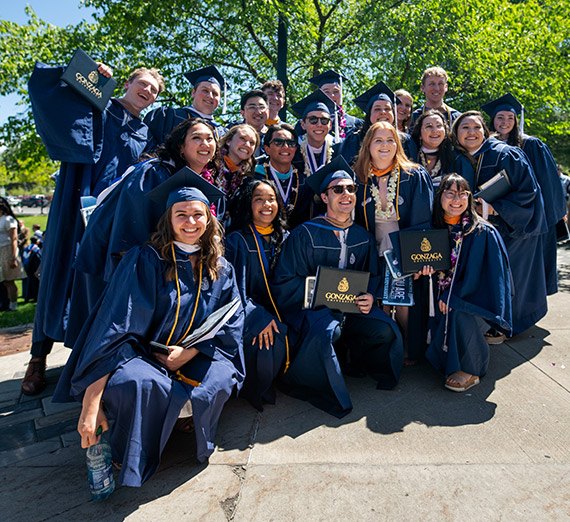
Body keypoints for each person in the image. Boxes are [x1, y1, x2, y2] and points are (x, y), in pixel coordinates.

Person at [53, 170, 244, 489]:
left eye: (198, 214)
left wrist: (190, 352)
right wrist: (91, 404)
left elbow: (230, 323)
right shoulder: (146, 260)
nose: (190, 222)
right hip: (143, 356)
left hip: (195, 354)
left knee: (219, 377)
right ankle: (136, 442)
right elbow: (113, 329)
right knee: (137, 382)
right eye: (180, 214)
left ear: (208, 220)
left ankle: (183, 422)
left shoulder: (221, 268)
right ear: (168, 219)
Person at [22, 62, 163, 395]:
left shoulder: (146, 133)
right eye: (143, 84)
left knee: (97, 283)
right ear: (127, 83)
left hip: (112, 221)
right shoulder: (98, 108)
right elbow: (52, 97)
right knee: (57, 275)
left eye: (154, 91)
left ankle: (87, 359)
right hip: (76, 209)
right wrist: (92, 76)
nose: (147, 92)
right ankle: (37, 358)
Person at [67, 118, 218, 349]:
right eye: (196, 138)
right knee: (113, 337)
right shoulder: (154, 173)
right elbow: (132, 228)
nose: (204, 143)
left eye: (210, 139)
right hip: (121, 262)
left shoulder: (198, 181)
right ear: (180, 146)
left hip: (154, 266)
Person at [271, 157, 403, 418]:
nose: (346, 194)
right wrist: (319, 293)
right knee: (326, 332)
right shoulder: (305, 233)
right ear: (324, 197)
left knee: (385, 329)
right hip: (312, 311)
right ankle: (315, 383)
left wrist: (370, 295)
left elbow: (372, 276)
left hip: (351, 310)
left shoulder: (361, 236)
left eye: (351, 189)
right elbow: (284, 281)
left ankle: (362, 365)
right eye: (338, 189)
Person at [452, 111, 547, 338]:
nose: (471, 132)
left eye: (476, 127)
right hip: (478, 230)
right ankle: (487, 322)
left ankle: (503, 326)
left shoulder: (506, 154)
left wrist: (495, 208)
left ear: (485, 131)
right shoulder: (458, 158)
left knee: (508, 279)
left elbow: (528, 193)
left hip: (511, 229)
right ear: (456, 134)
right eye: (465, 128)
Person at [353, 122, 433, 364]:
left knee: (405, 305)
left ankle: (410, 347)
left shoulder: (413, 175)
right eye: (378, 140)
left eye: (390, 140)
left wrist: (418, 259)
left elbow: (422, 220)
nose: (385, 145)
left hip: (403, 250)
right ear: (368, 145)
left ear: (398, 145)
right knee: (381, 304)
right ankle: (386, 351)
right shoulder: (358, 179)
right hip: (372, 250)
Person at [425, 174, 512, 392]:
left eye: (462, 193)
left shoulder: (482, 232)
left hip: (474, 300)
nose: (457, 199)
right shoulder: (431, 229)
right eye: (450, 193)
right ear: (439, 197)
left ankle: (472, 367)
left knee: (460, 309)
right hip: (437, 297)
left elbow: (486, 280)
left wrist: (453, 295)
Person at [482, 93, 567, 296]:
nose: (505, 122)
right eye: (500, 117)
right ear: (492, 120)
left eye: (510, 118)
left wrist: (548, 217)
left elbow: (548, 183)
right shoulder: (485, 146)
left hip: (528, 218)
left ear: (516, 120)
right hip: (498, 216)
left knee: (525, 271)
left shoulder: (531, 145)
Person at [225, 179, 289, 410]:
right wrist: (257, 317)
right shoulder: (236, 241)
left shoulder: (285, 237)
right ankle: (255, 389)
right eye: (258, 199)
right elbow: (232, 290)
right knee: (265, 339)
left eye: (271, 199)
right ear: (247, 205)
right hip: (248, 313)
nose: (266, 204)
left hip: (283, 308)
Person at [335, 81, 417, 166]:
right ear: (369, 114)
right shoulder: (355, 140)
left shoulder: (405, 141)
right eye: (377, 109)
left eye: (387, 109)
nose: (383, 112)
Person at [144, 65, 227, 145]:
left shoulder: (222, 133)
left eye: (215, 93)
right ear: (193, 93)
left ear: (219, 100)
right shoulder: (168, 116)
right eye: (205, 90)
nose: (210, 96)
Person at [255, 123, 312, 229]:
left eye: (291, 143)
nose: (285, 147)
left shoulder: (303, 181)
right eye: (278, 142)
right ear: (267, 149)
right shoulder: (254, 178)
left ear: (295, 149)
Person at [411, 110, 475, 188]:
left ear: (445, 132)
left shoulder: (458, 160)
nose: (435, 130)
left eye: (439, 126)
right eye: (429, 126)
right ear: (419, 134)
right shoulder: (409, 156)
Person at [215, 123, 260, 226]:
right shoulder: (211, 165)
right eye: (242, 138)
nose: (247, 145)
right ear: (228, 141)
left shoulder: (245, 177)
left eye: (252, 143)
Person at [301, 69, 363, 139]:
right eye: (326, 92)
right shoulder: (306, 123)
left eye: (336, 91)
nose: (332, 95)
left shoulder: (355, 123)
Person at [290, 89, 336, 177]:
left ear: (330, 125)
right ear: (303, 124)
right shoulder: (293, 152)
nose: (319, 124)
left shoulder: (340, 149)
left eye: (324, 120)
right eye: (313, 120)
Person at [409, 67, 461, 132]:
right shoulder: (413, 118)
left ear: (446, 87)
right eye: (432, 84)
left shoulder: (457, 118)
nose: (436, 88)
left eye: (440, 84)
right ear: (423, 88)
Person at [0, 197, 27, 311]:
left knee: (9, 279)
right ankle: (6, 302)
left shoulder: (8, 219)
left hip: (8, 250)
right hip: (1, 250)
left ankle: (13, 305)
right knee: (4, 280)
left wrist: (13, 257)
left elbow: (14, 239)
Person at [22, 236, 41, 303]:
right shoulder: (36, 249)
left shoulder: (27, 248)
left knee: (26, 282)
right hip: (34, 267)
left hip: (27, 267)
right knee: (34, 283)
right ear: (37, 241)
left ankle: (26, 297)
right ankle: (35, 297)